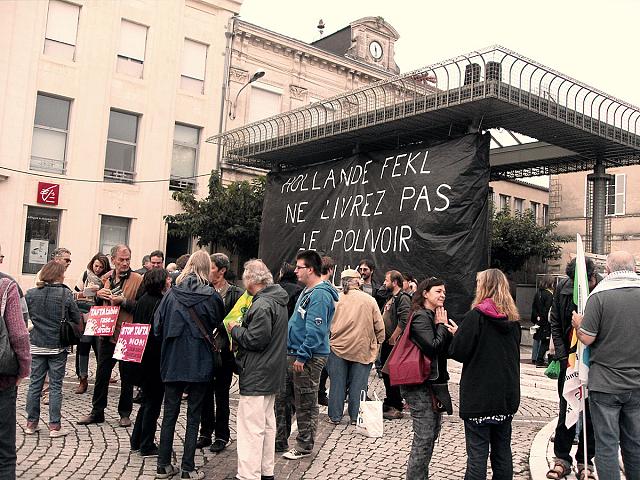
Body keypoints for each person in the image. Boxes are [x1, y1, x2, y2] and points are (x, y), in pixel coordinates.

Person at [153, 250, 224, 480]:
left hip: (172, 359)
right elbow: (219, 322)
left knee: (169, 414)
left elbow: (157, 327)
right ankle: (188, 468)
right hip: (199, 360)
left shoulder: (171, 294)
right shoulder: (211, 295)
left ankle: (163, 465)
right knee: (194, 416)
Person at [572, 251, 640, 480]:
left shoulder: (599, 295)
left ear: (608, 270)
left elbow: (587, 337)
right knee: (635, 444)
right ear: (634, 268)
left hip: (605, 384)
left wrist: (578, 324)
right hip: (637, 385)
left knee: (607, 445)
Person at [449, 268, 521, 480]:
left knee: (477, 457)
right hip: (505, 398)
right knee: (502, 453)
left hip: (479, 398)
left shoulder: (476, 316)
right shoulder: (513, 320)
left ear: (485, 287)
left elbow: (458, 352)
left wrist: (457, 335)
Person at [226, 260, 289, 480]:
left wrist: (235, 330)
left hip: (257, 371)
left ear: (250, 279)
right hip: (270, 370)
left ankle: (248, 475)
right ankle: (265, 471)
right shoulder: (276, 300)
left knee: (251, 428)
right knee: (266, 424)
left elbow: (256, 340)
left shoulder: (262, 304)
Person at [276, 250, 339, 460]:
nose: (295, 270)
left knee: (305, 401)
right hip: (294, 352)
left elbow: (316, 331)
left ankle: (304, 445)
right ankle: (279, 440)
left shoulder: (320, 294)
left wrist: (303, 355)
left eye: (299, 267)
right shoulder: (308, 290)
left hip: (308, 356)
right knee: (283, 398)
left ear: (310, 269)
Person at [77, 244, 143, 427]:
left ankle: (125, 413)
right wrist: (99, 295)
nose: (125, 263)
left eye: (127, 259)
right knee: (102, 375)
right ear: (113, 260)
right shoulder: (106, 278)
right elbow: (96, 304)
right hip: (106, 333)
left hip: (127, 333)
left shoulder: (138, 279)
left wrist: (124, 301)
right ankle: (97, 412)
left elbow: (142, 307)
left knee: (127, 377)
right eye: (121, 259)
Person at [547, 258, 598, 479]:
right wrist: (562, 355)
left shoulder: (599, 288)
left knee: (591, 413)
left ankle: (585, 461)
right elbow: (556, 323)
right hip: (569, 359)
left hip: (592, 360)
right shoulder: (563, 288)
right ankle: (562, 458)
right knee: (566, 408)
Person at [400, 277, 453, 479]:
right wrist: (441, 326)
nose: (443, 295)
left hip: (431, 383)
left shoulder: (432, 316)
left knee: (430, 435)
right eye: (438, 291)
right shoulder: (421, 317)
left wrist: (449, 331)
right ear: (425, 293)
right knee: (424, 437)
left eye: (444, 292)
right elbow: (432, 347)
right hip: (419, 385)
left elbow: (444, 349)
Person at [25, 261, 81, 437]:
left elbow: (25, 315)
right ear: (59, 275)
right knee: (55, 386)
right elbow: (76, 317)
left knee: (35, 384)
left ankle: (31, 424)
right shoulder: (65, 294)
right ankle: (54, 426)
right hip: (57, 346)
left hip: (36, 344)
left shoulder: (31, 294)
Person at [197, 253, 243, 452]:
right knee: (205, 394)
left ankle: (222, 435)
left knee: (222, 395)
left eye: (212, 268)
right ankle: (205, 432)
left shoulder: (235, 293)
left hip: (224, 352)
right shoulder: (203, 290)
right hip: (205, 349)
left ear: (222, 270)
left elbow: (240, 319)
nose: (209, 271)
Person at [327, 269, 384, 425]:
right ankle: (355, 416)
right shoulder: (369, 300)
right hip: (362, 348)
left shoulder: (335, 299)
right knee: (359, 384)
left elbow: (327, 322)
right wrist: (379, 341)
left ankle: (335, 416)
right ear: (357, 281)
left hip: (338, 346)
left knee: (337, 383)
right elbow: (379, 325)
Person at [128, 268, 170, 458]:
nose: (169, 282)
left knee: (146, 401)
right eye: (167, 279)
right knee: (153, 403)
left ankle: (136, 440)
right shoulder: (160, 302)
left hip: (141, 356)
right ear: (161, 282)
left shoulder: (143, 299)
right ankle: (146, 444)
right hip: (154, 358)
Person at [0, 273, 31, 480]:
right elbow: (19, 334)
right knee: (4, 452)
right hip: (2, 379)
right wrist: (23, 368)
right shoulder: (5, 286)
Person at [73, 253, 110, 394]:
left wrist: (102, 291)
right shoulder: (85, 275)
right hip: (85, 316)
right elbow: (75, 295)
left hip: (101, 317)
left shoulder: (109, 278)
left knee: (101, 349)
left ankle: (102, 379)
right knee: (83, 347)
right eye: (96, 266)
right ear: (92, 264)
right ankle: (83, 378)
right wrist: (87, 293)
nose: (98, 269)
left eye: (101, 267)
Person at [380, 270, 412, 420]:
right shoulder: (391, 297)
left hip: (394, 342)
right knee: (386, 373)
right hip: (387, 341)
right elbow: (380, 292)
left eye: (387, 280)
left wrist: (394, 337)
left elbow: (405, 319)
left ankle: (395, 404)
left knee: (391, 373)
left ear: (394, 282)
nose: (384, 283)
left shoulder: (403, 298)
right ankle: (390, 400)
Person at [318, 255, 336, 406]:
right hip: (322, 336)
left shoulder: (314, 287)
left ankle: (320, 392)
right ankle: (319, 393)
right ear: (330, 270)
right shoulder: (326, 290)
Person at [530, 275, 554, 368]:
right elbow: (548, 309)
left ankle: (535, 358)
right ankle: (540, 359)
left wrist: (537, 317)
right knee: (545, 341)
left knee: (537, 339)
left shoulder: (538, 293)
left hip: (538, 319)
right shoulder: (549, 294)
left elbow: (534, 307)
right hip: (545, 321)